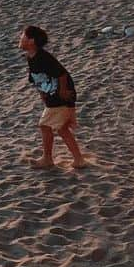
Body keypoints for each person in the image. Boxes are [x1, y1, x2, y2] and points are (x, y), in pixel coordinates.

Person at [19, 25, 87, 169]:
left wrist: (62, 91)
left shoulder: (43, 57)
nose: (20, 38)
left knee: (48, 126)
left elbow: (61, 74)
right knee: (58, 128)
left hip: (61, 96)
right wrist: (42, 94)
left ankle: (51, 159)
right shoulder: (31, 57)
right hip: (52, 96)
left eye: (23, 36)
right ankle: (75, 159)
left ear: (31, 41)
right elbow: (37, 78)